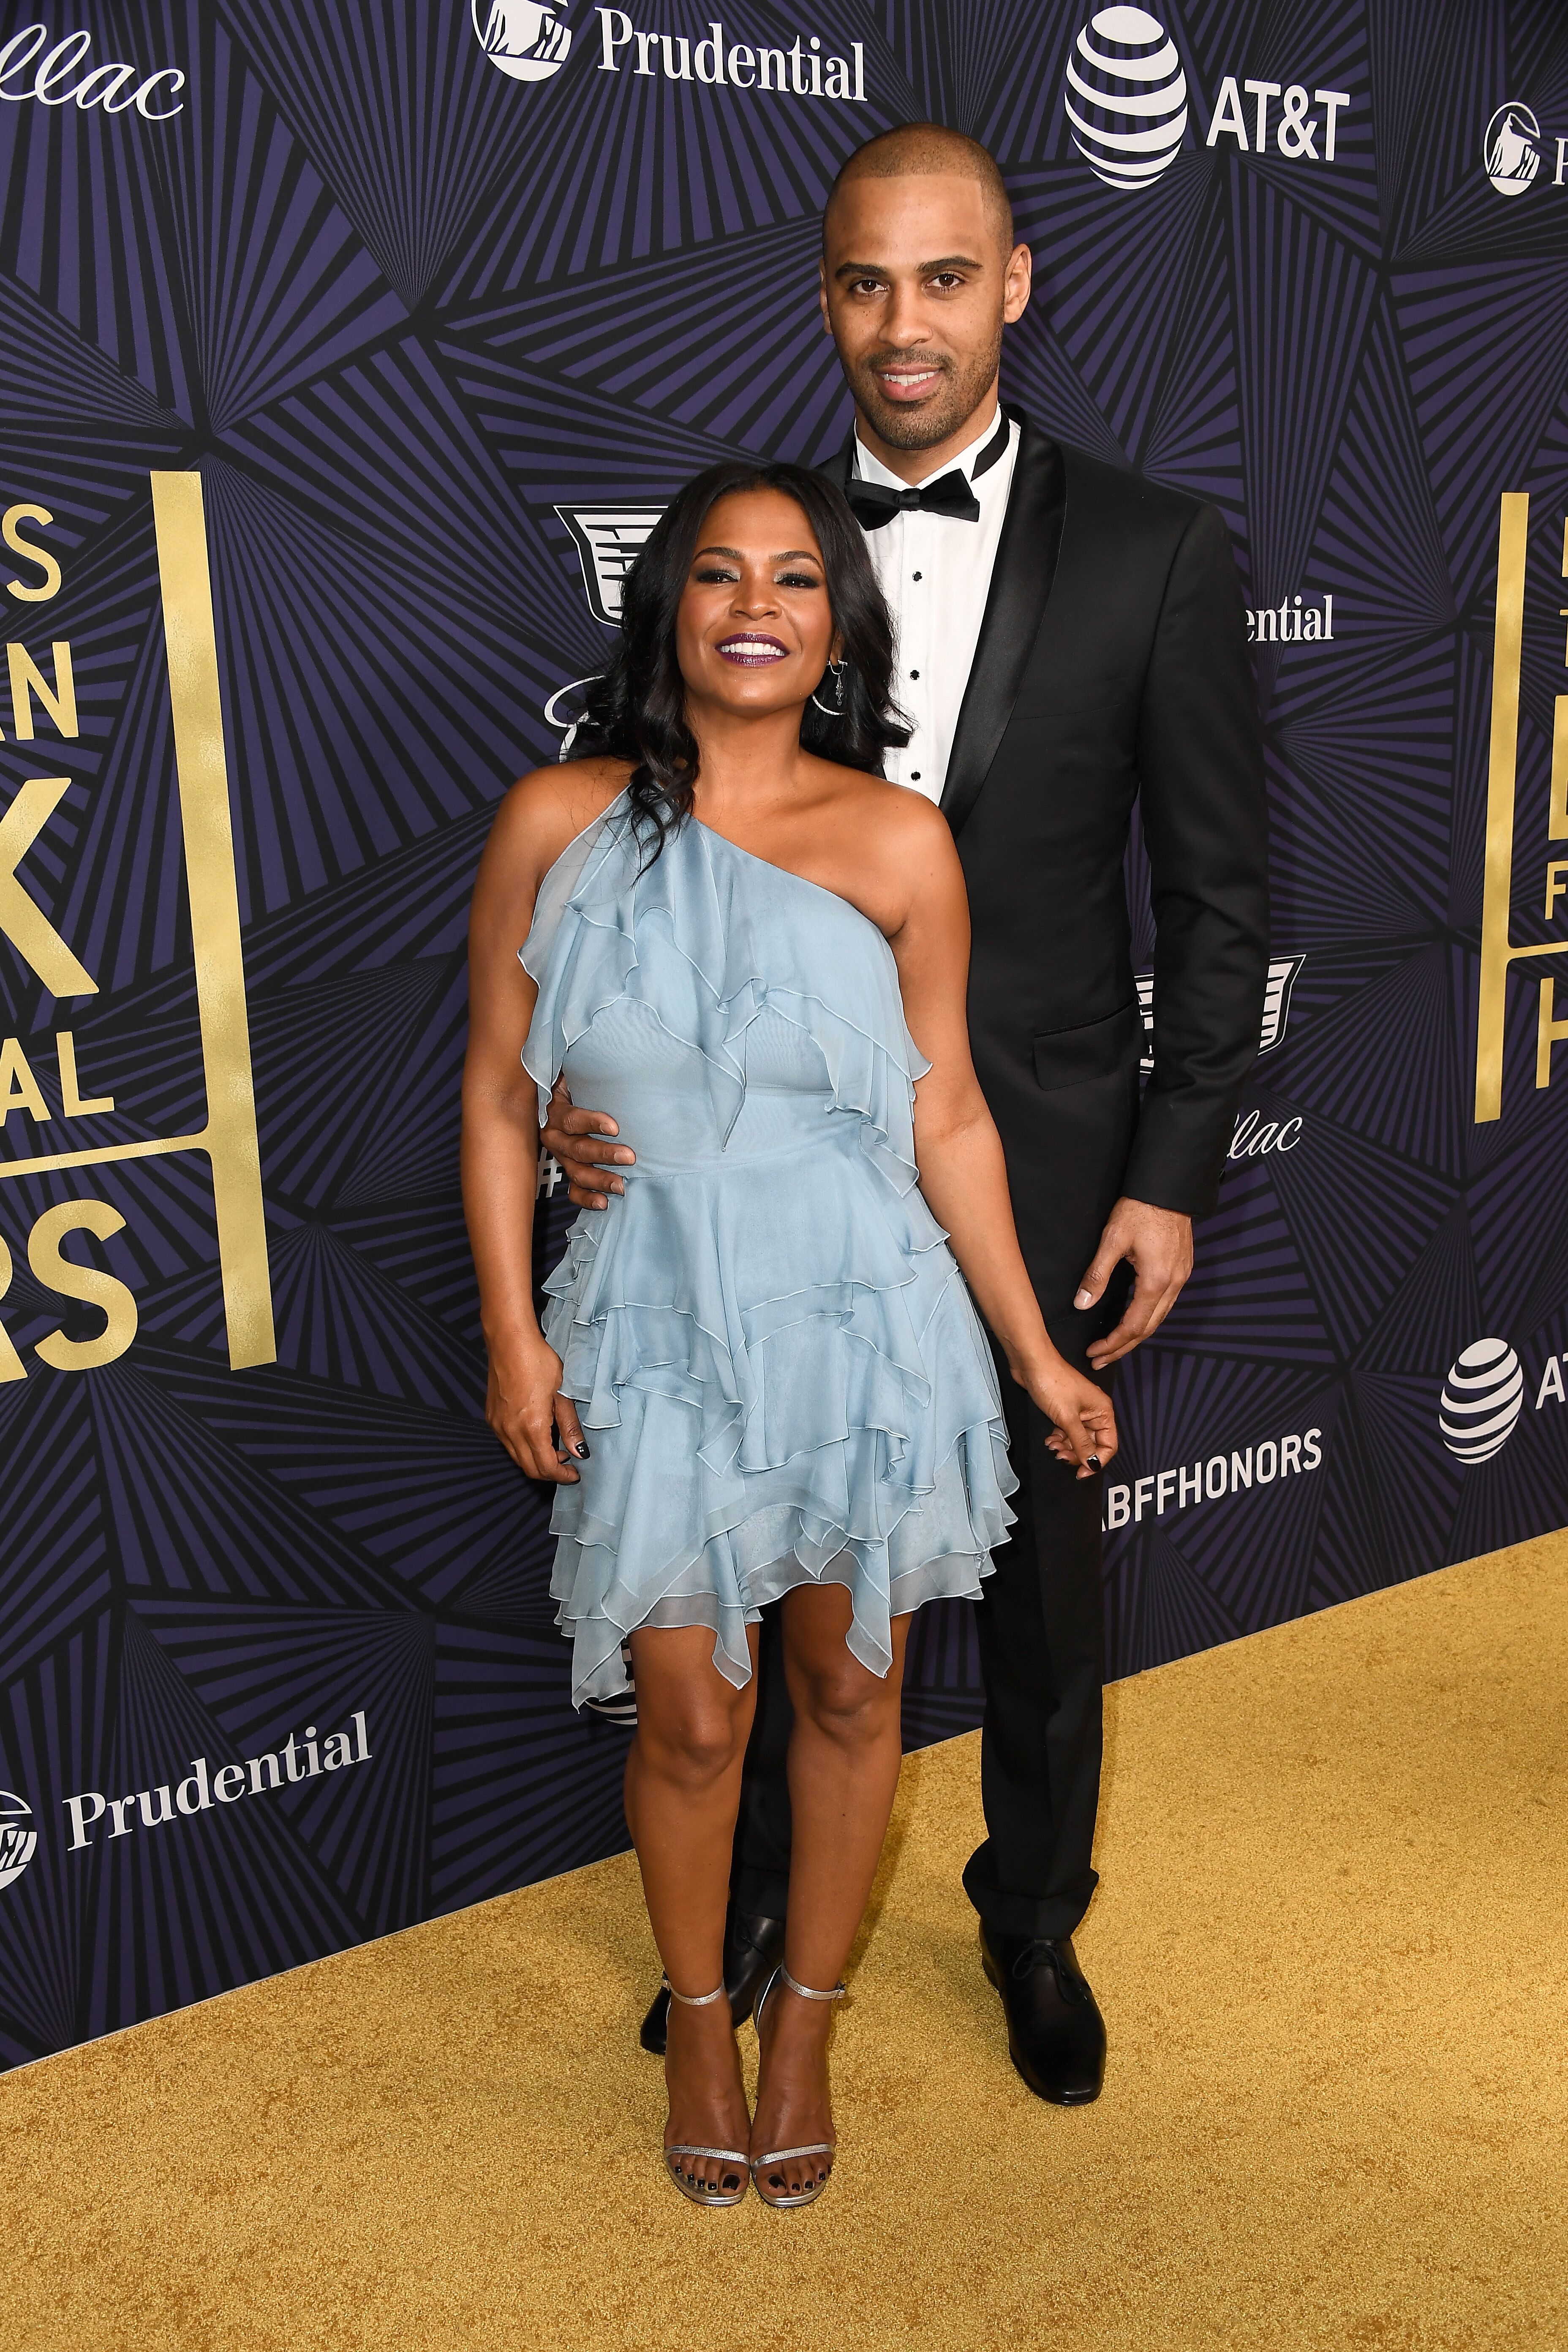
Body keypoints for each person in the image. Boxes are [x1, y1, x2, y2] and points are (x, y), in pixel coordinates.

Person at [543, 124, 1269, 2109]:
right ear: (826, 298)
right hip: (754, 1182)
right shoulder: (760, 546)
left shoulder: (1152, 551)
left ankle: (1031, 1924)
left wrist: (1170, 1177)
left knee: (1032, 1571)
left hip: (1016, 1143)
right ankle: (755, 1912)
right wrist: (565, 1121)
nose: (904, 325)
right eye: (866, 283)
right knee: (773, 1567)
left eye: (944, 280)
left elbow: (1218, 901)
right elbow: (619, 895)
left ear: (1015, 287)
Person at [463, 459, 1117, 2206]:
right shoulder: (556, 818)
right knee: (687, 1717)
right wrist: (515, 1338)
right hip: (655, 1327)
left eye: (796, 579)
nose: (757, 605)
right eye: (719, 576)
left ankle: (808, 2018)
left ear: (837, 624)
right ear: (666, 609)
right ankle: (699, 2014)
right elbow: (486, 1093)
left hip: (865, 1327)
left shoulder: (899, 839)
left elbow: (952, 1114)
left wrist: (1034, 1351)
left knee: (846, 1686)